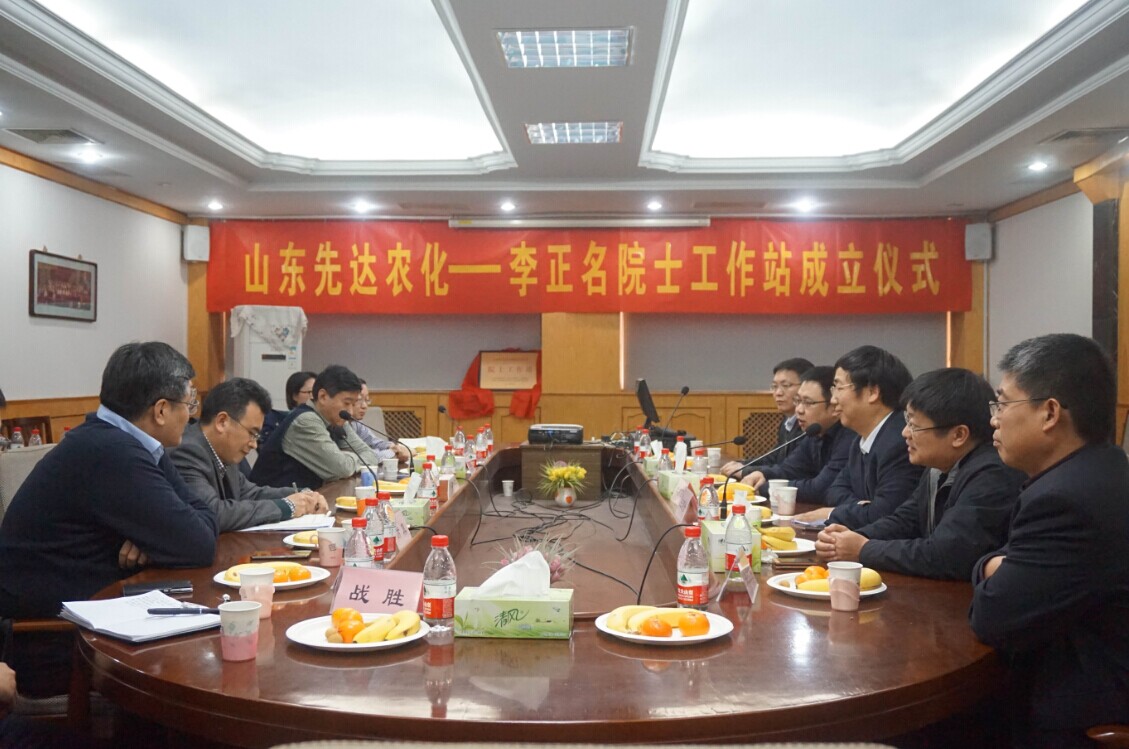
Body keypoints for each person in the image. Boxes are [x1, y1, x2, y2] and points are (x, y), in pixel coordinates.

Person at [0, 342, 217, 696]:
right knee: (204, 664)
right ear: (161, 410)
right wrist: (160, 537)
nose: (191, 416)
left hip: (96, 613)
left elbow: (206, 515)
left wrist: (154, 537)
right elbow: (200, 543)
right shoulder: (110, 452)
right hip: (55, 641)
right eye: (189, 403)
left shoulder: (125, 441)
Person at [969, 334, 1129, 747]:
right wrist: (998, 565)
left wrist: (990, 566)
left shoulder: (1066, 500)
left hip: (1083, 705)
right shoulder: (1105, 467)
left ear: (1050, 413)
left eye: (1003, 404)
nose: (994, 420)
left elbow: (992, 617)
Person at [815, 368, 1023, 579]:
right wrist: (850, 538)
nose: (905, 433)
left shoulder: (992, 475)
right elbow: (906, 520)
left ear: (959, 435)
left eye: (914, 426)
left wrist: (863, 549)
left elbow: (946, 554)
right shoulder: (937, 467)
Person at [170, 378, 328, 532]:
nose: (254, 444)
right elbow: (212, 512)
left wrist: (303, 495)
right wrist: (288, 507)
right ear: (222, 422)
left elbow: (250, 493)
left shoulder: (224, 451)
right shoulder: (187, 452)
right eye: (252, 433)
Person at [794, 345, 922, 527]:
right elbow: (834, 490)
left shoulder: (901, 442)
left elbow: (884, 514)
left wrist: (834, 512)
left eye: (839, 387)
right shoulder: (859, 440)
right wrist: (861, 507)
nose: (833, 399)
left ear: (872, 392)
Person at [249, 365, 381, 489]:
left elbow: (371, 456)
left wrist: (344, 457)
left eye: (354, 404)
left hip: (309, 497)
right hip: (274, 500)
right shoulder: (305, 421)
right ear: (323, 396)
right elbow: (341, 468)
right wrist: (348, 458)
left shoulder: (338, 418)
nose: (350, 412)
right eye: (347, 403)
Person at [738, 366, 854, 504]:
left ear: (834, 405)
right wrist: (761, 474)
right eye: (798, 401)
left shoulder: (850, 437)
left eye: (808, 403)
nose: (799, 410)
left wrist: (766, 487)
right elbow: (789, 469)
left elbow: (819, 489)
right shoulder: (814, 432)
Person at [721, 356, 813, 476]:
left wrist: (745, 471)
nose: (778, 393)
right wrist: (742, 464)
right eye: (774, 386)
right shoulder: (787, 421)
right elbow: (773, 457)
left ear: (806, 387)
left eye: (786, 385)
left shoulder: (809, 426)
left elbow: (790, 469)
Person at [350, 380, 410, 464]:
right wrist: (392, 452)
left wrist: (392, 446)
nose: (364, 406)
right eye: (359, 400)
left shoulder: (356, 422)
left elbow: (373, 441)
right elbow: (363, 457)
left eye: (367, 400)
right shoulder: (341, 425)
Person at [258, 370, 316, 447]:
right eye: (309, 392)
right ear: (294, 396)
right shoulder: (283, 424)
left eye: (317, 392)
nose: (314, 397)